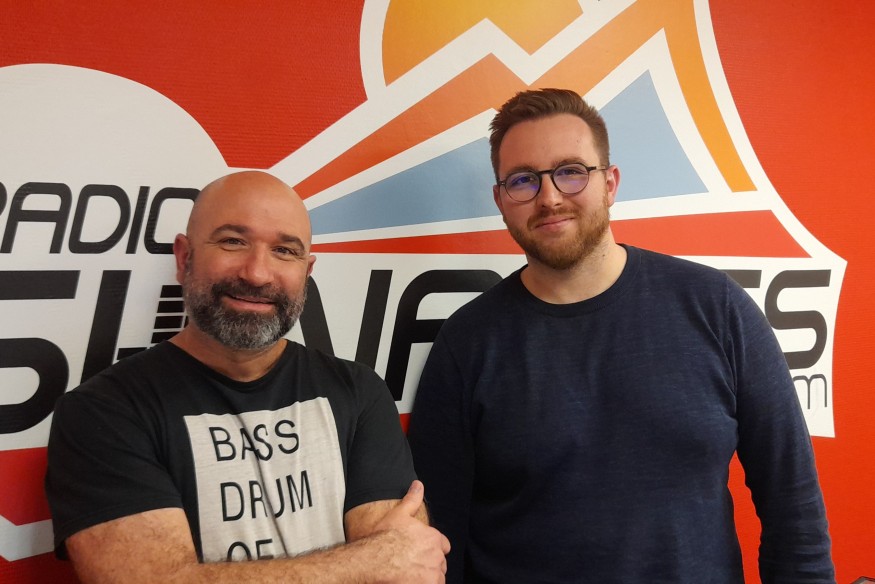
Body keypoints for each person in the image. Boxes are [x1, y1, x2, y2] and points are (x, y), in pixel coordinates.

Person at [407, 88, 834, 583]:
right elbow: (437, 542)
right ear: (501, 200)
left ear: (610, 183)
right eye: (523, 180)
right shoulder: (467, 343)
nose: (549, 197)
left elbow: (793, 506)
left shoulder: (716, 308)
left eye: (571, 171)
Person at [45, 170, 450, 583]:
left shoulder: (358, 391)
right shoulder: (103, 412)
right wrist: (364, 563)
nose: (257, 274)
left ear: (306, 271)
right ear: (184, 258)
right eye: (232, 241)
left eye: (285, 251)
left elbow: (406, 572)